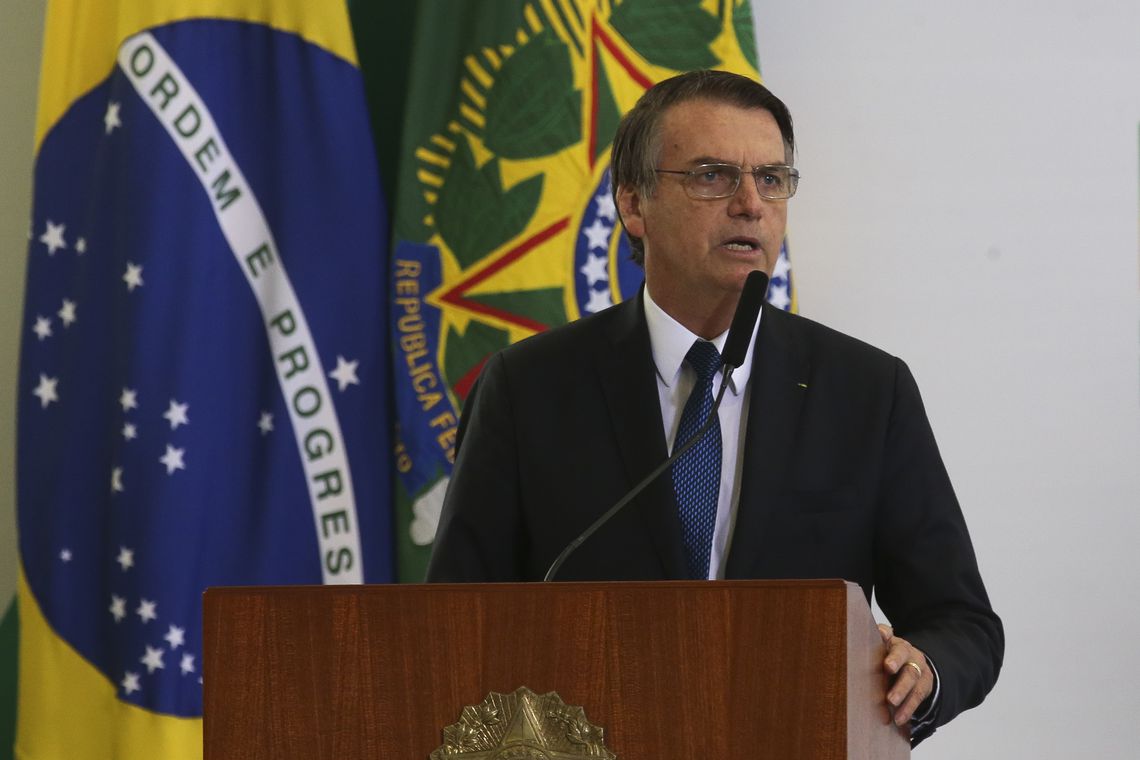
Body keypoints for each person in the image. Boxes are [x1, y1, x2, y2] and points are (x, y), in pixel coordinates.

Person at [426, 70, 1002, 745]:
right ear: (634, 205)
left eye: (772, 179)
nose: (751, 204)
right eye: (712, 177)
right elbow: (453, 623)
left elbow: (962, 622)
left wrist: (923, 671)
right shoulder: (528, 389)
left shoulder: (866, 391)